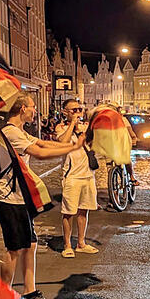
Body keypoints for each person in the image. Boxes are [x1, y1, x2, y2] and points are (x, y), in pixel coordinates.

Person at [0, 93, 80, 299]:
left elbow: (43, 143)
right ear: (22, 108)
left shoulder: (19, 131)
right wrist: (72, 148)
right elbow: (39, 153)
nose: (35, 110)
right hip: (9, 198)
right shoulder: (10, 133)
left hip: (21, 197)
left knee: (30, 244)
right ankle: (4, 297)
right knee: (14, 249)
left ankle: (30, 292)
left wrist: (71, 147)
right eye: (32, 107)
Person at [56, 99, 98, 258]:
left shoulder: (86, 126)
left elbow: (95, 141)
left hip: (88, 175)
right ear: (65, 112)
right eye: (73, 110)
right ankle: (67, 245)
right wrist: (73, 124)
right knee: (68, 212)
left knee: (84, 210)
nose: (77, 113)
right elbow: (63, 143)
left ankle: (81, 242)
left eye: (79, 109)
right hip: (72, 176)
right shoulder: (61, 127)